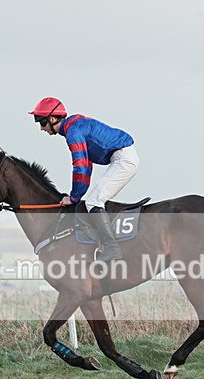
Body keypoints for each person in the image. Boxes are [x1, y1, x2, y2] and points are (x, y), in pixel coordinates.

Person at [29, 97, 139, 261]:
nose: (41, 128)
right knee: (93, 200)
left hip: (124, 159)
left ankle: (112, 248)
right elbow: (86, 166)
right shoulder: (73, 127)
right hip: (122, 156)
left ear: (52, 118)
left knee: (93, 202)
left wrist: (74, 197)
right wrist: (76, 196)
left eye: (41, 122)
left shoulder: (73, 132)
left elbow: (80, 166)